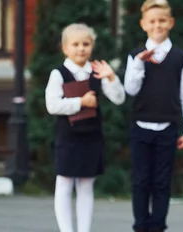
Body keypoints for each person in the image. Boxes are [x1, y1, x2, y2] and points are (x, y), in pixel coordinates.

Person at [124, 0, 183, 232]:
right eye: (152, 21)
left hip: (167, 128)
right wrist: (138, 65)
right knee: (140, 180)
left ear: (171, 23)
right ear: (143, 24)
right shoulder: (135, 56)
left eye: (162, 20)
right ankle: (140, 225)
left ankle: (157, 226)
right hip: (140, 127)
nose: (157, 25)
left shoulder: (180, 58)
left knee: (162, 181)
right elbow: (130, 89)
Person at [45, 23, 126, 232]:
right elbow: (52, 105)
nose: (81, 48)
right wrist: (80, 103)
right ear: (65, 48)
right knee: (64, 184)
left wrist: (111, 77)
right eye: (75, 44)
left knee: (86, 185)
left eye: (86, 44)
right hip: (68, 136)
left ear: (92, 46)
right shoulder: (59, 74)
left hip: (92, 135)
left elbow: (118, 98)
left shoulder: (97, 72)